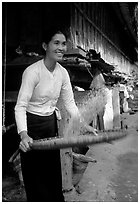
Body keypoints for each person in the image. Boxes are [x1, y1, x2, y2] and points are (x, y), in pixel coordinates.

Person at [15, 27, 96, 202]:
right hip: (32, 126)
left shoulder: (62, 73)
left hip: (50, 124)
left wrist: (84, 125)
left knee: (52, 173)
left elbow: (70, 104)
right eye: (56, 43)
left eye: (64, 43)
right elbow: (20, 106)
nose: (61, 48)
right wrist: (24, 134)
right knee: (34, 176)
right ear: (45, 46)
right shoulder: (32, 72)